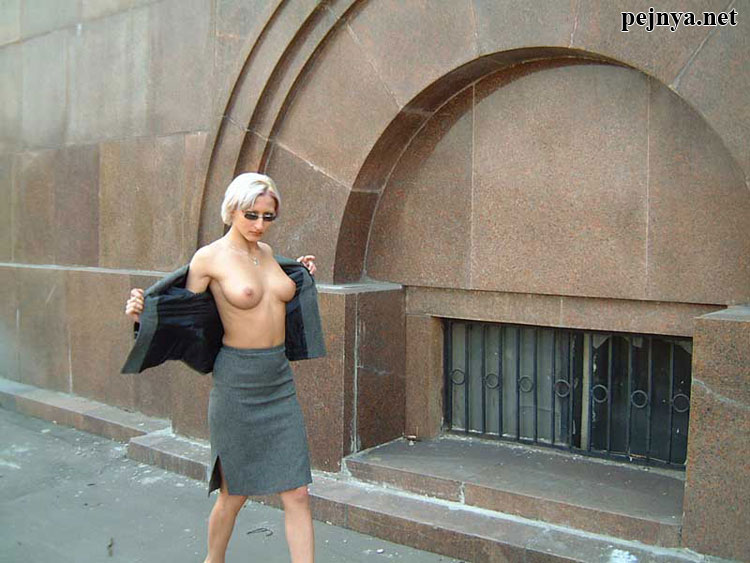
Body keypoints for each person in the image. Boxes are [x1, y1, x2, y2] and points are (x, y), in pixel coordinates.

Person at [124, 173, 320, 563]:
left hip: (278, 381)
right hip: (237, 385)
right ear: (231, 210)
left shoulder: (267, 253)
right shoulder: (209, 258)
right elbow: (186, 316)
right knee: (234, 493)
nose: (260, 224)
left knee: (297, 492)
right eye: (251, 215)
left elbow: (279, 295)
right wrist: (143, 317)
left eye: (268, 216)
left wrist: (301, 275)